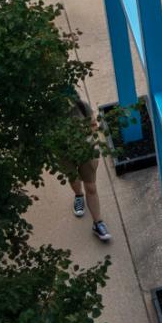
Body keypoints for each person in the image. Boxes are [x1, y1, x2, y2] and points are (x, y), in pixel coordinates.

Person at [65, 92, 112, 243]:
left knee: (91, 187)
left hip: (86, 150)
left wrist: (87, 140)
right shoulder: (49, 114)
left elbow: (93, 124)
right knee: (73, 178)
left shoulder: (81, 106)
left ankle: (98, 223)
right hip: (64, 153)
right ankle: (78, 195)